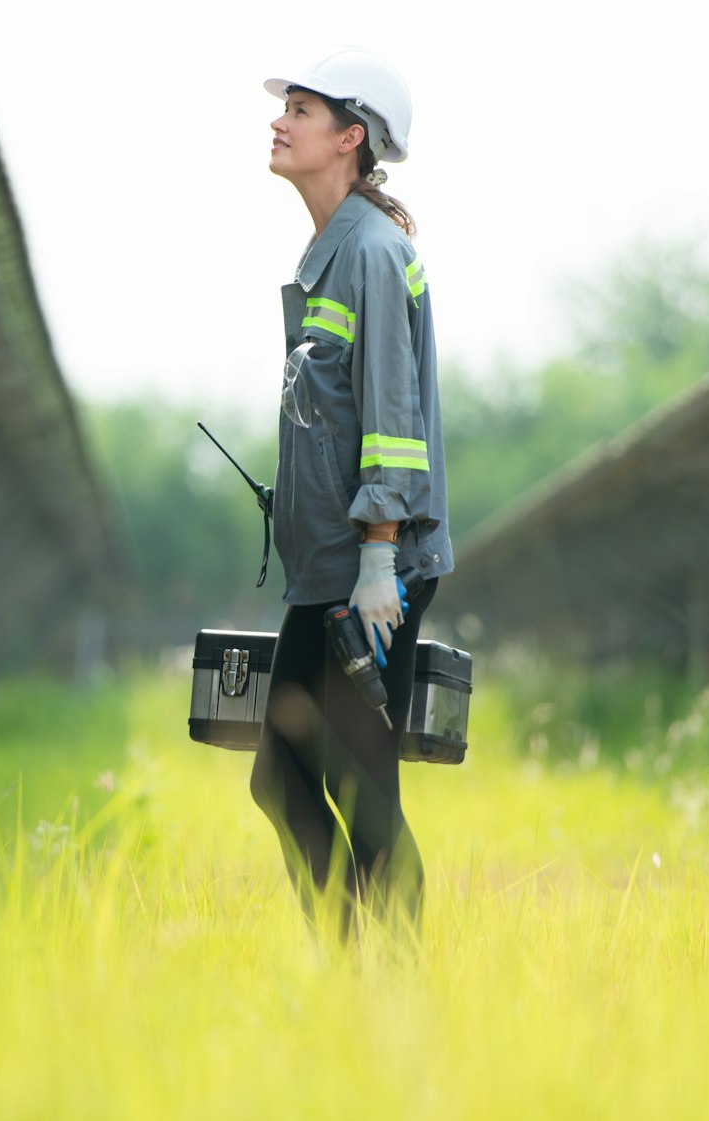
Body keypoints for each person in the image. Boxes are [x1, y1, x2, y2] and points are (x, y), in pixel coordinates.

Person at [248, 47, 452, 930]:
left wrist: (378, 557)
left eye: (299, 108)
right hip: (332, 566)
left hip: (373, 570)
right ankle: (351, 971)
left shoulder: (370, 250)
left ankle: (393, 992)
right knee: (284, 776)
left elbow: (394, 414)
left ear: (350, 136)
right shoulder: (334, 252)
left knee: (354, 788)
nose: (279, 120)